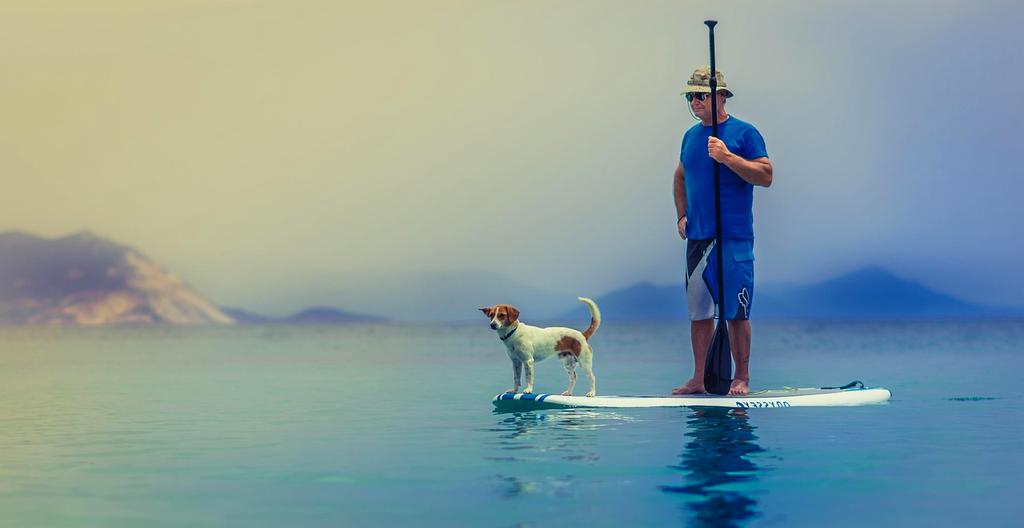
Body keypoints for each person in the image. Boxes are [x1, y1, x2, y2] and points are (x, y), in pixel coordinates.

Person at [671, 66, 772, 396]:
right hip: (699, 238)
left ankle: (740, 377)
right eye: (690, 97)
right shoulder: (690, 136)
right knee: (699, 314)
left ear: (720, 97)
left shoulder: (745, 133)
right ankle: (700, 378)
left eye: (700, 96)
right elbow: (680, 176)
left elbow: (765, 175)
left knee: (736, 312)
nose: (694, 102)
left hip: (734, 236)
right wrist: (681, 215)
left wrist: (728, 157)